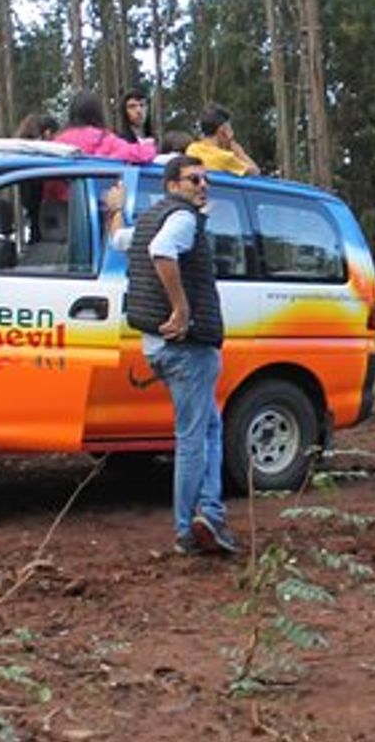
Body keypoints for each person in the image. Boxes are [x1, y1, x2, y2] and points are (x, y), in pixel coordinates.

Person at [127, 155, 237, 558]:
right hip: (187, 348)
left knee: (210, 427)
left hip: (158, 347)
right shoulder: (182, 219)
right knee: (193, 437)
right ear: (173, 185)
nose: (203, 185)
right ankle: (188, 527)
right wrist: (181, 308)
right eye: (194, 179)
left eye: (205, 179)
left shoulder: (149, 218)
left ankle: (209, 512)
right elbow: (162, 251)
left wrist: (113, 212)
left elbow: (121, 241)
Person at [54, 92, 157, 163]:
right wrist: (148, 148)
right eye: (132, 106)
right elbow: (135, 153)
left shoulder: (57, 142)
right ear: (99, 113)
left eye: (142, 105)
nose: (139, 111)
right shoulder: (104, 139)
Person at [185, 103, 260, 176]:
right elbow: (256, 171)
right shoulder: (226, 158)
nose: (232, 132)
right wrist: (240, 152)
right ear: (223, 130)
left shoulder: (192, 149)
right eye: (230, 128)